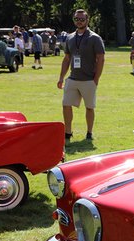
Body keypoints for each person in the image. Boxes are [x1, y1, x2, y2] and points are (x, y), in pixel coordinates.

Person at [57, 9, 105, 143]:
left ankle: (89, 132)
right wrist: (61, 77)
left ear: (87, 20)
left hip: (89, 79)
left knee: (89, 107)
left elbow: (101, 59)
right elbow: (67, 59)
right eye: (76, 19)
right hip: (73, 78)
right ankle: (68, 132)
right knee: (66, 104)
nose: (79, 21)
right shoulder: (70, 37)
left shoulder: (95, 38)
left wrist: (96, 79)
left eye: (82, 19)